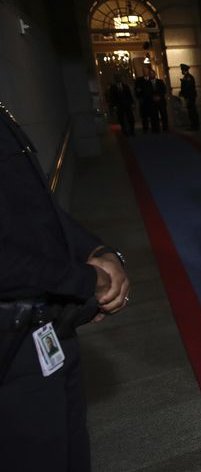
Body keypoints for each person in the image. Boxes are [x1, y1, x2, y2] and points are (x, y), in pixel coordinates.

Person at [0, 101, 130, 471]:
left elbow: (39, 211)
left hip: (48, 329)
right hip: (11, 348)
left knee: (70, 452)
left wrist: (98, 250)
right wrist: (84, 280)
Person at [178, 63, 199, 130]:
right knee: (191, 111)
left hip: (190, 97)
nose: (181, 71)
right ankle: (193, 125)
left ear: (184, 70)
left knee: (192, 111)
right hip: (189, 96)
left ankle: (194, 126)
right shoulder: (186, 77)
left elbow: (188, 88)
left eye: (182, 70)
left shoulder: (188, 77)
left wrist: (186, 96)